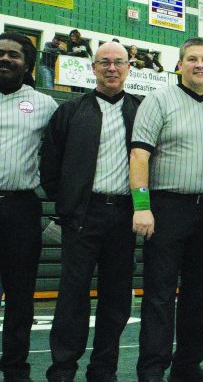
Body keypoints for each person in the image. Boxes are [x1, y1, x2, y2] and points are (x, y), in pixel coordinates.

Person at [41, 42, 141, 382]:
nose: (112, 68)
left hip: (125, 217)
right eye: (104, 63)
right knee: (72, 297)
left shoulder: (141, 111)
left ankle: (103, 370)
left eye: (118, 62)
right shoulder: (70, 112)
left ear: (130, 67)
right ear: (93, 68)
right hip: (82, 217)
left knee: (116, 299)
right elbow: (50, 166)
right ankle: (63, 369)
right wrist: (68, 202)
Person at [130, 37, 203, 382]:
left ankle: (187, 367)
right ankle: (152, 370)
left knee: (199, 296)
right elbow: (139, 154)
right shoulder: (157, 100)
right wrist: (142, 206)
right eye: (192, 59)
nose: (200, 65)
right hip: (167, 207)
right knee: (159, 294)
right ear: (179, 65)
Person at [0, 32, 58, 382]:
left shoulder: (44, 105)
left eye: (13, 55)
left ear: (27, 64)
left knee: (20, 295)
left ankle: (15, 368)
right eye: (0, 53)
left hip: (19, 209)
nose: (5, 59)